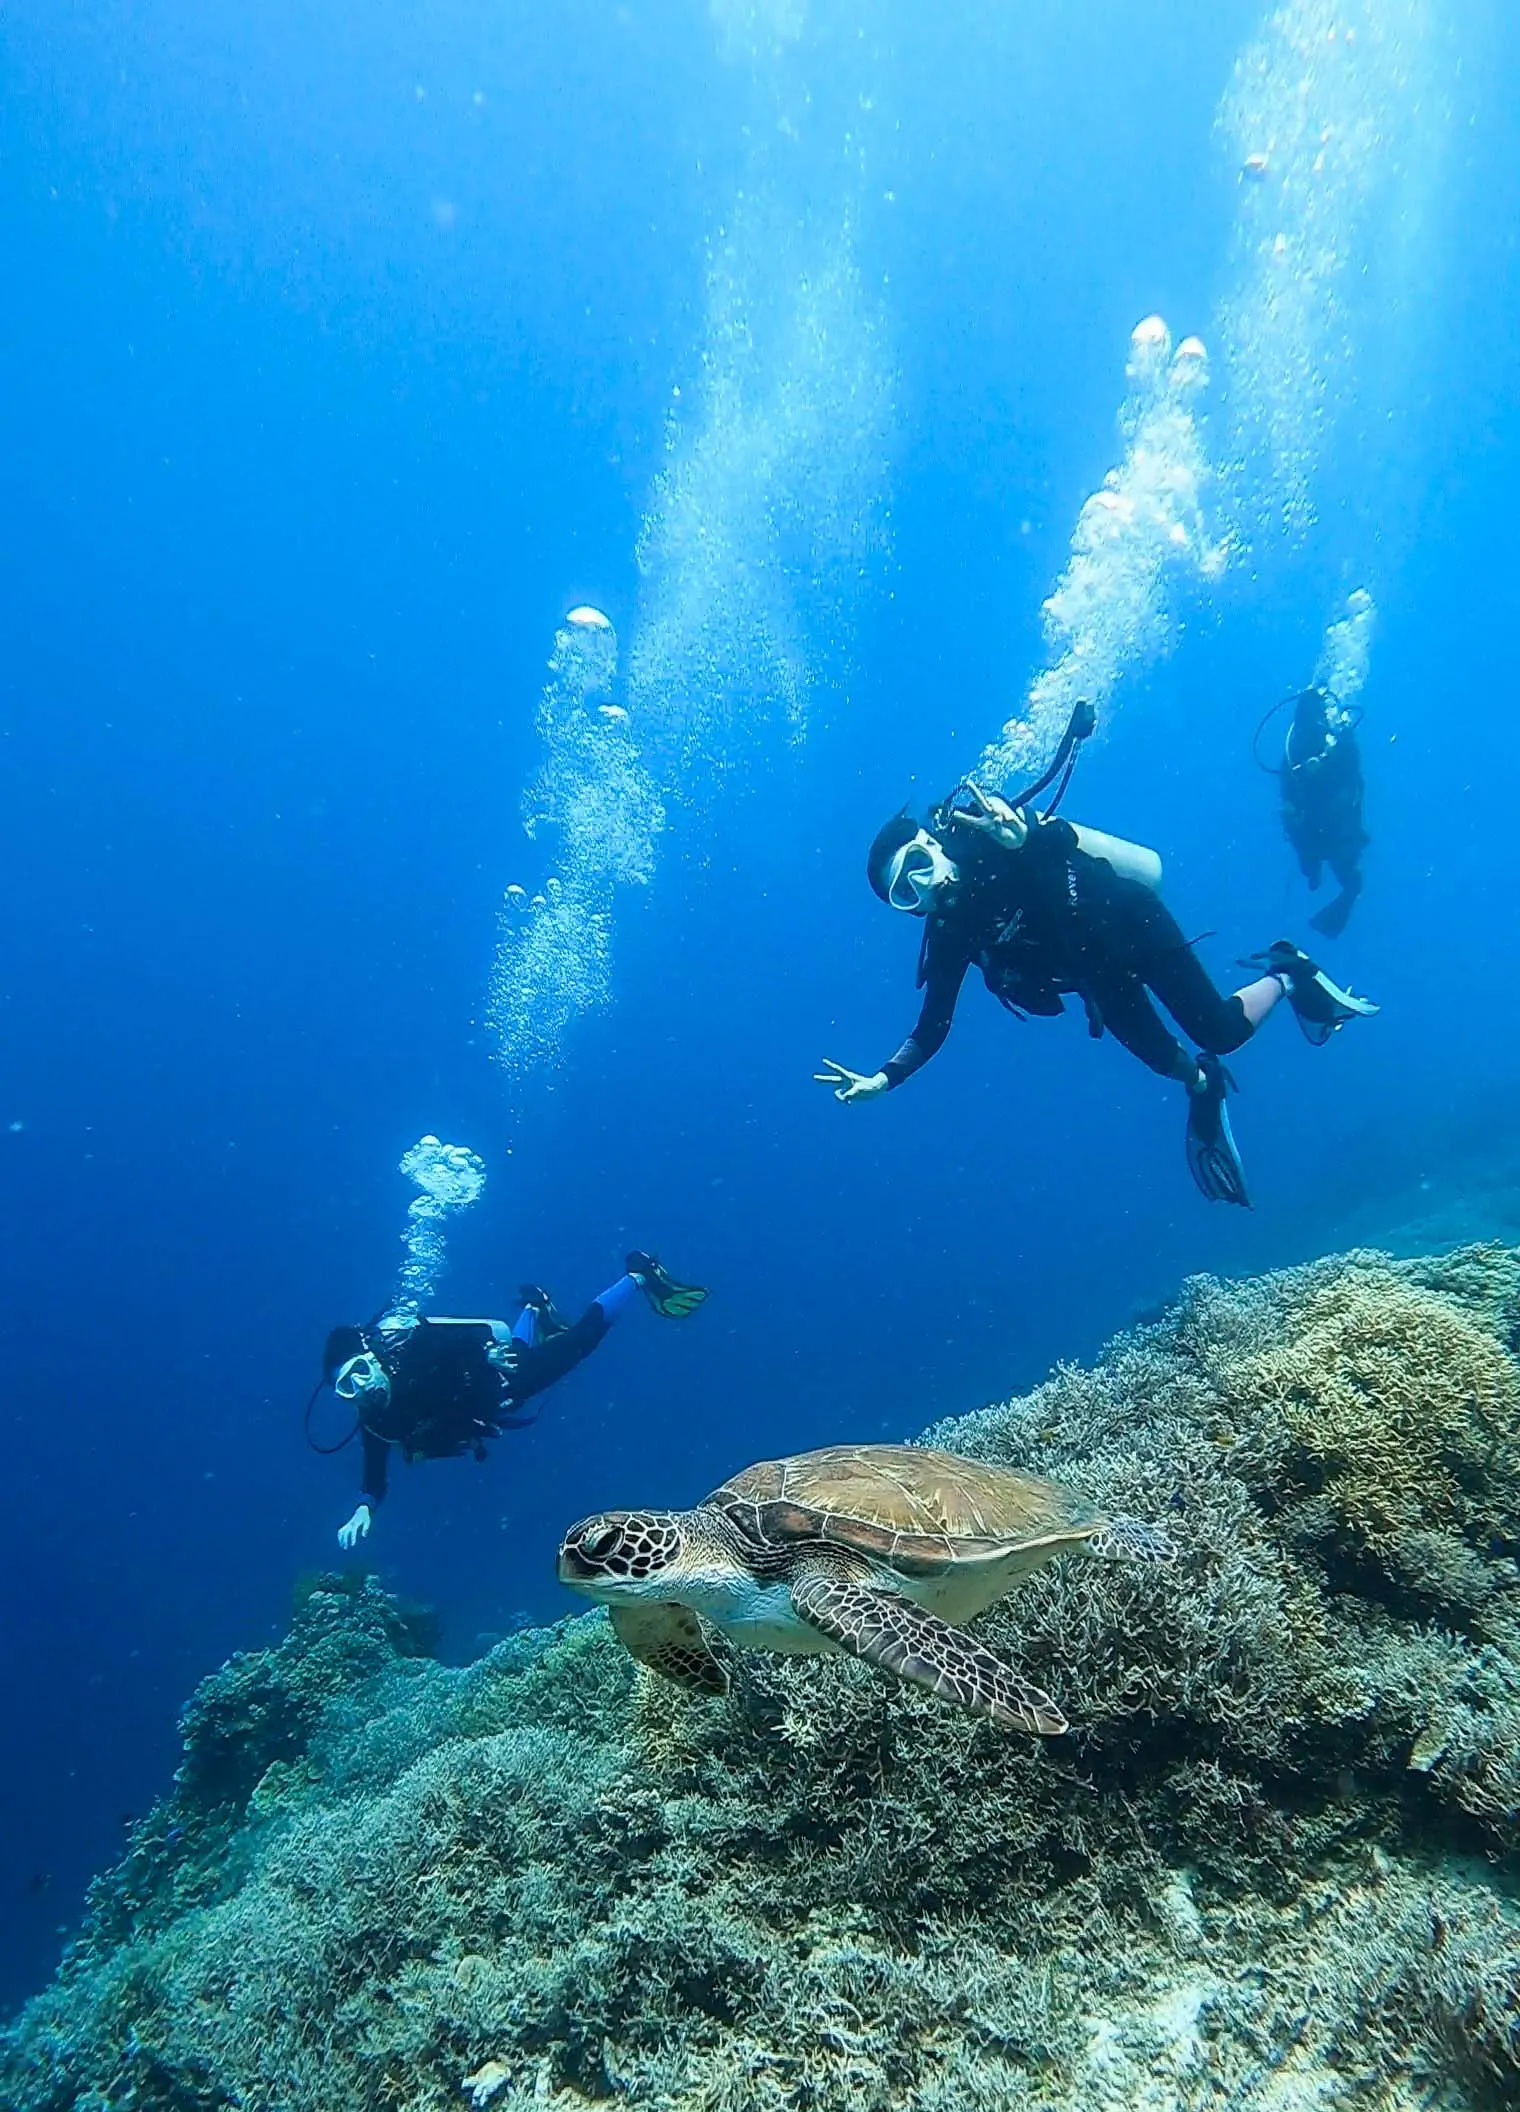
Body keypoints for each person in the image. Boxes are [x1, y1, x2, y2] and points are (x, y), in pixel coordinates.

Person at [815, 754, 1378, 1208]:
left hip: (1130, 924)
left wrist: (1024, 838)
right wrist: (884, 1079)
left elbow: (1061, 845)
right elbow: (932, 1025)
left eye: (918, 864)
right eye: (906, 893)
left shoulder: (991, 835)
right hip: (1094, 977)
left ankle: (1287, 971)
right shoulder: (949, 933)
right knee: (1178, 1067)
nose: (926, 886)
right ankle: (1205, 1087)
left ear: (931, 842)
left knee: (1220, 1030)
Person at [311, 1253, 706, 1548]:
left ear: (373, 1357)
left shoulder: (412, 1352)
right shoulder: (376, 1421)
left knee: (580, 1342)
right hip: (488, 1405)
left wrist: (485, 1354)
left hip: (503, 1381)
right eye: (347, 1386)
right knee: (521, 1345)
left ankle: (638, 1274)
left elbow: (465, 1340)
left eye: (360, 1371)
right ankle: (536, 1308)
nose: (360, 1387)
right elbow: (374, 1477)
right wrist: (364, 1507)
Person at [1275, 685, 1368, 939]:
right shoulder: (1293, 749)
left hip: (1335, 827)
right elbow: (1287, 801)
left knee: (1350, 880)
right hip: (1319, 830)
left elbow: (1352, 775)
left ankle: (1327, 895)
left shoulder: (1338, 742)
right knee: (1340, 874)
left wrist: (1340, 746)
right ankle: (1314, 870)